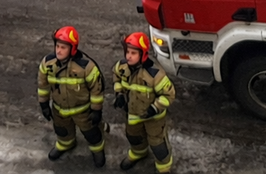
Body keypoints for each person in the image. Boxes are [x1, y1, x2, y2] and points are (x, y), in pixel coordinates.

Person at [37, 25, 107, 167]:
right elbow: (43, 86)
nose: (59, 50)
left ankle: (97, 150)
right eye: (57, 46)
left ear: (72, 48)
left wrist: (96, 110)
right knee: (62, 131)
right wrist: (44, 105)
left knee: (92, 133)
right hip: (59, 110)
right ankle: (65, 144)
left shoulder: (86, 67)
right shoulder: (47, 63)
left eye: (63, 47)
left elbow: (96, 90)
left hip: (83, 111)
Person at [112, 32, 176, 171]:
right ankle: (138, 153)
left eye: (133, 53)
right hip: (132, 114)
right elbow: (116, 77)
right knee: (134, 137)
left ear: (143, 54)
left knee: (158, 145)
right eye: (127, 52)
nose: (129, 55)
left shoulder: (155, 75)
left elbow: (168, 95)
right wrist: (119, 94)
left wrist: (154, 108)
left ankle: (164, 167)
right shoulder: (122, 67)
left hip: (153, 118)